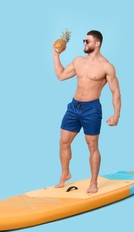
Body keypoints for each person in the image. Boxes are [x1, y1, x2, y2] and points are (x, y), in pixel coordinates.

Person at [52, 30, 121, 194]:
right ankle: (65, 173)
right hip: (74, 107)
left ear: (97, 44)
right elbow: (61, 76)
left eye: (87, 41)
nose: (84, 43)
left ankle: (93, 182)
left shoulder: (106, 66)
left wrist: (116, 114)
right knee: (63, 142)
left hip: (92, 109)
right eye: (84, 40)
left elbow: (116, 92)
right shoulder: (78, 61)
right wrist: (56, 55)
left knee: (92, 146)